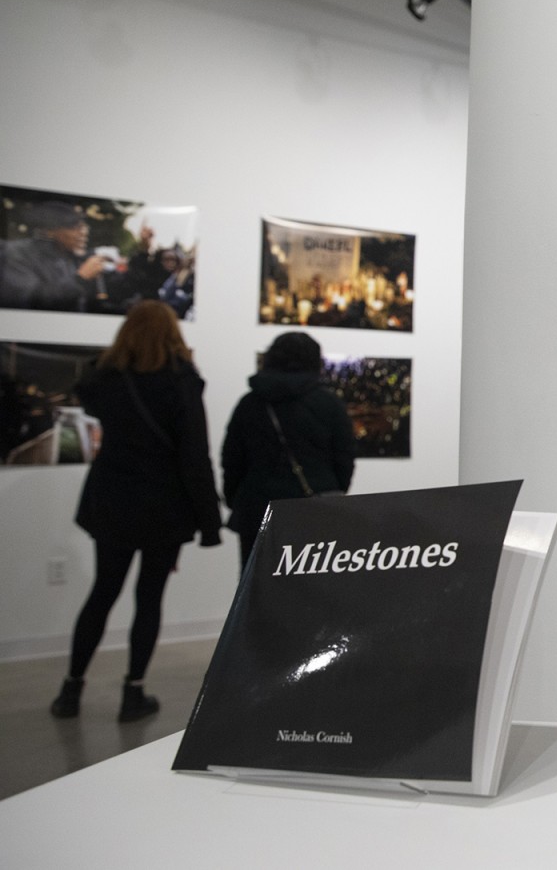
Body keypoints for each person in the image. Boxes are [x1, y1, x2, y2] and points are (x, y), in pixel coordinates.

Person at [50, 301, 223, 722]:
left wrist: (115, 354)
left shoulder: (108, 379)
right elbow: (194, 455)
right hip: (164, 504)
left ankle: (70, 691)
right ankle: (133, 693)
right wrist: (209, 523)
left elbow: (86, 387)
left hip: (112, 500)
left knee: (102, 593)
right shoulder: (181, 380)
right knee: (149, 599)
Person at [221, 332, 356, 572]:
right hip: (315, 510)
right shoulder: (329, 404)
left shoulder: (250, 403)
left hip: (257, 508)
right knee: (312, 589)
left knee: (256, 589)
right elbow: (344, 458)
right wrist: (332, 489)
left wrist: (237, 499)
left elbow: (231, 460)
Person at [0, 201, 106, 312]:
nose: (84, 232)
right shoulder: (17, 253)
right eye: (74, 227)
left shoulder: (70, 256)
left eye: (84, 226)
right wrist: (80, 279)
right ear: (49, 231)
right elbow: (29, 301)